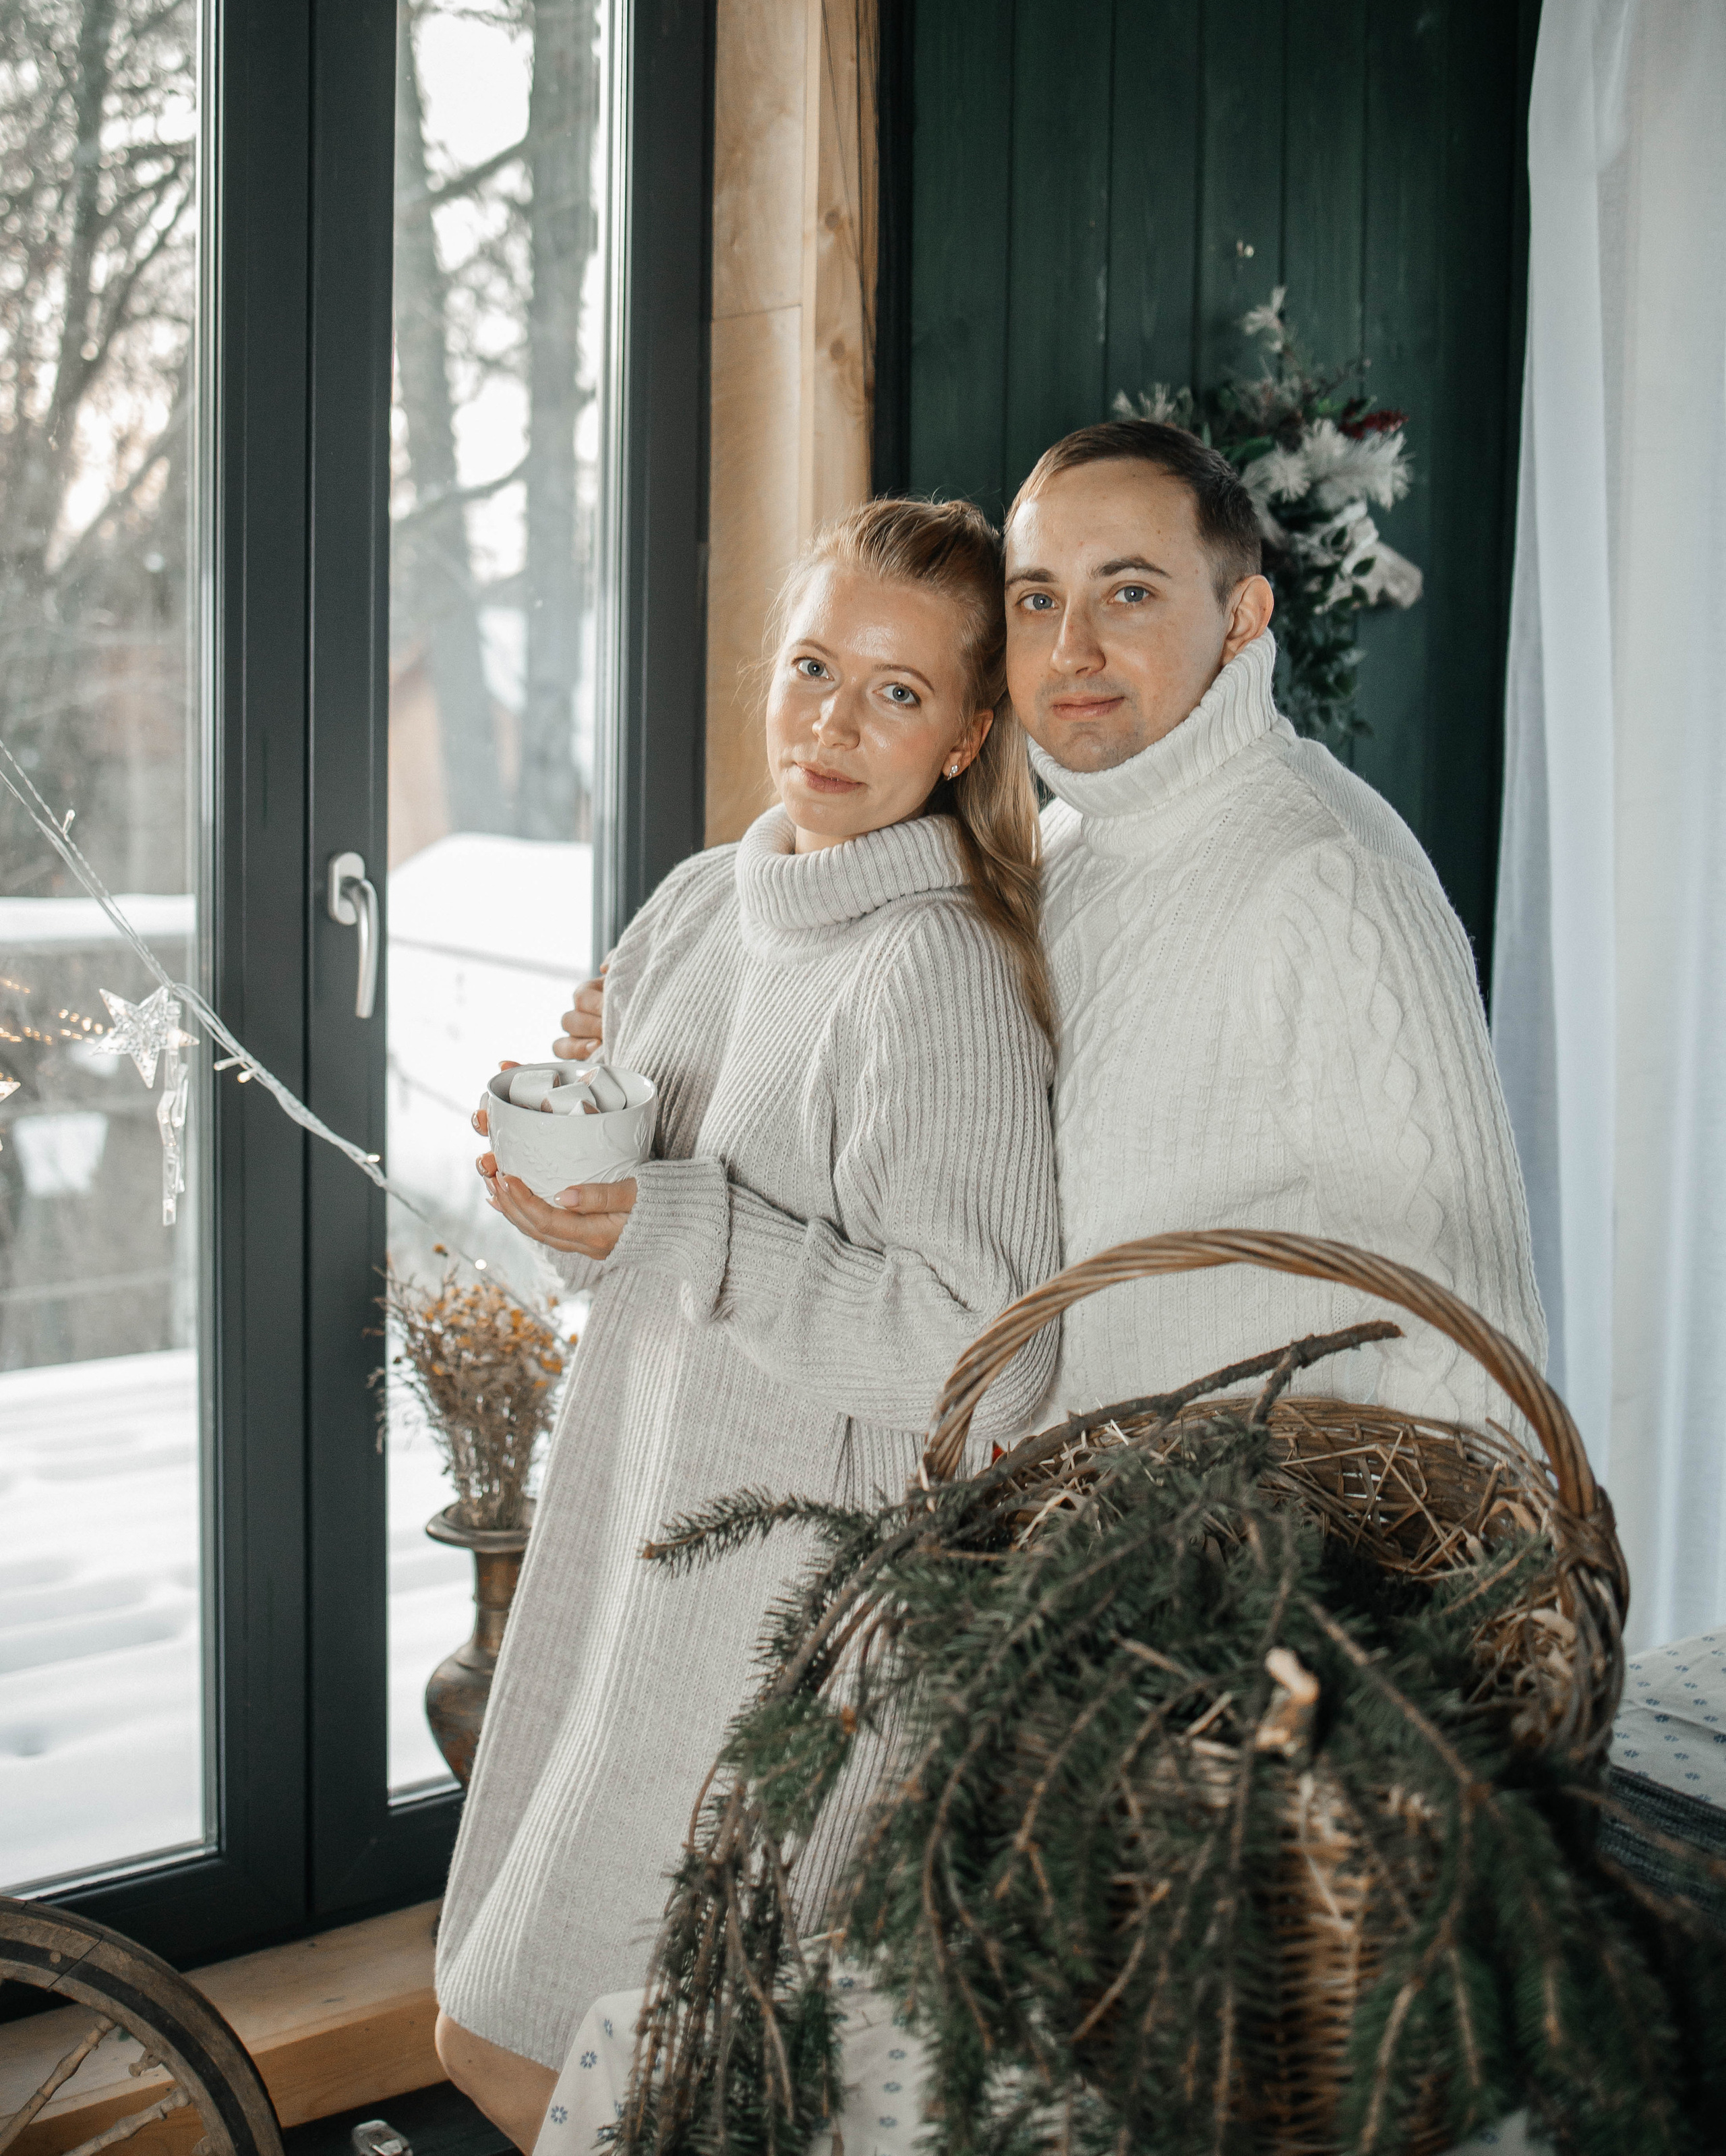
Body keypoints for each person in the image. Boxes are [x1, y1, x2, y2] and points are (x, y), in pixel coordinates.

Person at [433, 497, 1062, 2151]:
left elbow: (986, 1357)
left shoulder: (935, 972)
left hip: (782, 1616)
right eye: (811, 668)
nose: (831, 724)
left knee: (556, 2054)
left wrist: (673, 1215)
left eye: (895, 693)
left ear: (966, 735)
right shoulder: (707, 899)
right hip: (635, 1540)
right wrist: (572, 1206)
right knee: (530, 2034)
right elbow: (633, 1241)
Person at [1003, 419, 1546, 1425]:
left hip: (1263, 1523)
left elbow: (1472, 1347)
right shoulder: (1053, 849)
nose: (1071, 648)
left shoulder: (1330, 881)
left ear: (1242, 618)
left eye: (1129, 592)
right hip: (1049, 1518)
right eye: (1038, 599)